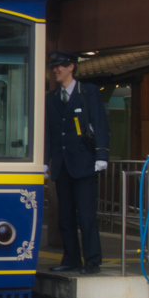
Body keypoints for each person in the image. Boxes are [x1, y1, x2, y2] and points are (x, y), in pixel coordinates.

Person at [44, 51, 110, 274]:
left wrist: (102, 156)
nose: (56, 70)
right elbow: (49, 132)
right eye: (54, 66)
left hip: (84, 163)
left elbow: (100, 123)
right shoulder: (51, 97)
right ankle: (71, 258)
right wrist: (45, 161)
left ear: (71, 67)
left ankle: (93, 260)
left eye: (60, 66)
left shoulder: (88, 92)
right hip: (62, 164)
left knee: (86, 215)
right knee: (65, 215)